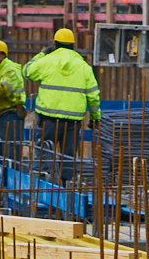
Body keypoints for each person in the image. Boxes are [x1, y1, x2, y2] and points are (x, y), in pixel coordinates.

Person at [24, 28, 100, 177]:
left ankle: (45, 182)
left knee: (45, 155)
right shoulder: (83, 66)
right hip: (73, 121)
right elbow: (93, 96)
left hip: (48, 118)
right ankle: (67, 185)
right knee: (68, 158)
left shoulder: (47, 61)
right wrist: (95, 117)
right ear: (73, 45)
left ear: (55, 44)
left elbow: (27, 72)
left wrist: (42, 54)